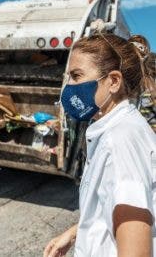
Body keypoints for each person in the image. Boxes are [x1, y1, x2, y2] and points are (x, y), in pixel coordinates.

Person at [43, 33, 156, 257]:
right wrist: (76, 232)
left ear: (113, 81)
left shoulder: (120, 141)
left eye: (76, 76)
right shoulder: (119, 129)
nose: (69, 87)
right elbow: (115, 205)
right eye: (69, 77)